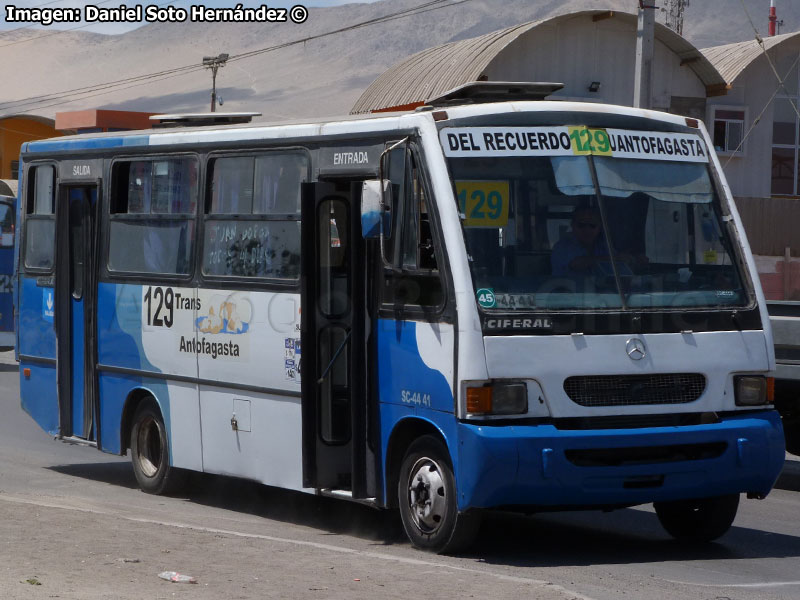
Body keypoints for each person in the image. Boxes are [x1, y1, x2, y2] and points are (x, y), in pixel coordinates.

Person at [550, 205, 609, 277]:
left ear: (600, 227)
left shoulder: (603, 246)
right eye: (581, 225)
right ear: (572, 225)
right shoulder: (562, 246)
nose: (587, 230)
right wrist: (615, 258)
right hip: (565, 287)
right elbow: (577, 264)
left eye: (593, 225)